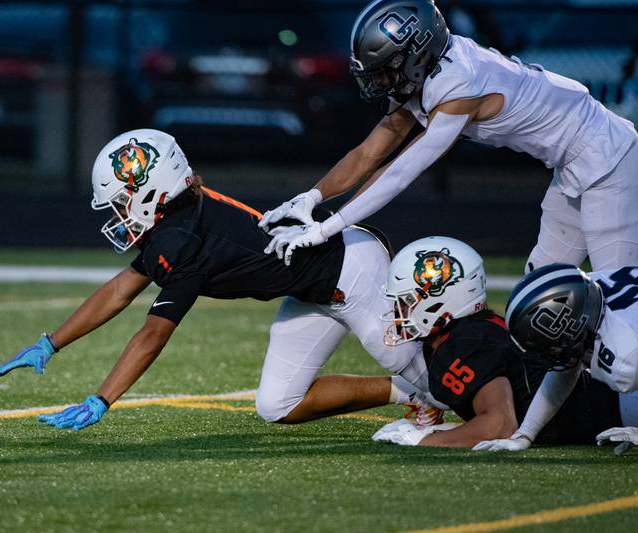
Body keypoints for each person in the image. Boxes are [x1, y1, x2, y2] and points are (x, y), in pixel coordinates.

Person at [0, 129, 437, 431]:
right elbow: (121, 288)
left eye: (123, 202)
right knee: (277, 405)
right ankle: (411, 397)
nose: (120, 216)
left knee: (430, 371)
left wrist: (101, 399)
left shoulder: (178, 239)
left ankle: (494, 412)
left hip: (350, 271)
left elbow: (152, 335)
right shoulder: (179, 218)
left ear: (150, 191)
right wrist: (52, 341)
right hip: (311, 287)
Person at [259, 0, 638, 273]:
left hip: (608, 157)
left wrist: (327, 228)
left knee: (618, 294)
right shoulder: (426, 69)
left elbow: (399, 174)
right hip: (569, 164)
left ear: (417, 57)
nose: (379, 81)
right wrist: (311, 198)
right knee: (538, 291)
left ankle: (624, 386)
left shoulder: (459, 83)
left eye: (384, 70)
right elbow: (369, 153)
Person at [366, 237, 632, 449]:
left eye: (406, 301)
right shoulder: (475, 330)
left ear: (439, 299)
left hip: (620, 400)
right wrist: (524, 435)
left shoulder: (463, 345)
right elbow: (563, 368)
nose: (398, 311)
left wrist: (422, 441)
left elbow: (499, 425)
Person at [473, 264, 638, 452]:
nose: (551, 356)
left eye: (552, 348)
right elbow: (565, 368)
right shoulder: (587, 288)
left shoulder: (625, 355)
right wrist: (524, 435)